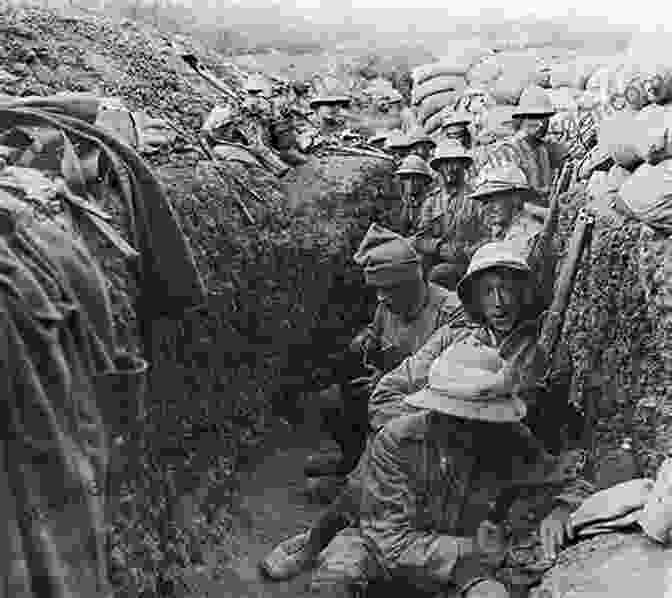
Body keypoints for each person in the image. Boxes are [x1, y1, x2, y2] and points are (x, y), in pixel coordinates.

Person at [261, 242, 582, 585]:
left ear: (525, 292)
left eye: (508, 288)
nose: (499, 300)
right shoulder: (453, 339)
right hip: (417, 461)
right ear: (474, 296)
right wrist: (421, 431)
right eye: (489, 290)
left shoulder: (547, 350)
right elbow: (389, 392)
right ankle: (318, 539)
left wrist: (560, 505)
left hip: (495, 476)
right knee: (368, 495)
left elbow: (566, 451)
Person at [304, 223, 461, 480]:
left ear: (411, 282)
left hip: (430, 410)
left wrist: (388, 384)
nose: (380, 298)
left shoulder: (450, 312)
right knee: (332, 400)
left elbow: (455, 382)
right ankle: (351, 461)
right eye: (377, 289)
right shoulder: (389, 306)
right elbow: (376, 333)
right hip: (387, 396)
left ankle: (373, 475)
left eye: (387, 289)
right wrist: (365, 340)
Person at [467, 165, 555, 309]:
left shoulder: (524, 235)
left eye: (493, 200)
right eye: (484, 202)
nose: (486, 208)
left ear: (515, 198)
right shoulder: (509, 228)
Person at [474, 86, 568, 203]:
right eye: (534, 117)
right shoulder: (507, 151)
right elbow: (503, 198)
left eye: (544, 117)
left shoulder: (542, 149)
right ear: (522, 119)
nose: (540, 124)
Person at [414, 138, 485, 292]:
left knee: (440, 274)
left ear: (463, 167)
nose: (451, 168)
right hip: (437, 260)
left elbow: (488, 236)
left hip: (468, 263)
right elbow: (419, 239)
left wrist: (465, 252)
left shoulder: (476, 199)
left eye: (456, 163)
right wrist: (439, 247)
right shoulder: (431, 201)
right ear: (439, 168)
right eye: (446, 164)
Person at [396, 155, 435, 236]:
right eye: (407, 178)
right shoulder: (403, 203)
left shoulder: (433, 202)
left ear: (424, 180)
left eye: (415, 178)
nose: (411, 182)